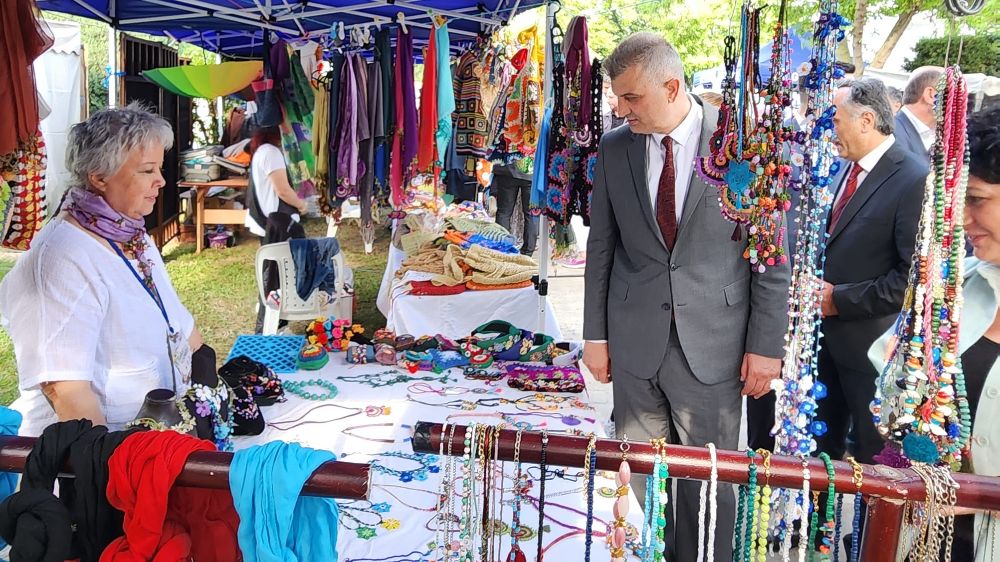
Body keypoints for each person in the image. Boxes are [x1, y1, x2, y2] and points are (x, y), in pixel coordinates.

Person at [583, 33, 791, 562]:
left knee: (710, 490)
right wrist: (595, 336)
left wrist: (767, 347)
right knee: (640, 478)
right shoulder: (615, 147)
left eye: (631, 98)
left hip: (714, 348)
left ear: (672, 86)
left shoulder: (742, 145)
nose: (619, 107)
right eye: (617, 96)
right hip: (633, 345)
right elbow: (602, 246)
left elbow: (770, 257)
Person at [0, 104, 204, 436]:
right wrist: (106, 473)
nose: (161, 181)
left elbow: (175, 318)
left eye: (160, 168)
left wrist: (208, 378)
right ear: (99, 177)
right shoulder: (61, 259)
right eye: (147, 170)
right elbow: (65, 390)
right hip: (96, 460)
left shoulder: (130, 233)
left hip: (158, 443)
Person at [870, 106, 1000, 561]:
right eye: (958, 199)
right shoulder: (951, 287)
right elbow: (889, 385)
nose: (962, 218)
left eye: (977, 199)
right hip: (930, 541)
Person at [813, 78, 928, 464]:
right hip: (822, 349)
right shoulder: (842, 170)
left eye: (835, 119)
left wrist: (838, 300)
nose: (830, 129)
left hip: (871, 357)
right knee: (818, 460)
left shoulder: (912, 178)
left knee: (870, 461)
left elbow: (912, 281)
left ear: (865, 120)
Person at [244, 125, 309, 237]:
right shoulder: (271, 153)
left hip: (269, 220)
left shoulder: (262, 151)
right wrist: (301, 205)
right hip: (277, 222)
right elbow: (283, 191)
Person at [895, 66, 943, 167]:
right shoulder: (891, 135)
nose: (961, 106)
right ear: (931, 95)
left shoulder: (938, 135)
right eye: (953, 97)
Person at [492, 160, 538, 256]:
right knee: (531, 214)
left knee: (504, 213)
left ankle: (502, 248)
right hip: (531, 171)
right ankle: (528, 252)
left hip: (507, 170)